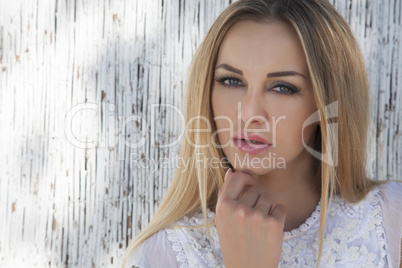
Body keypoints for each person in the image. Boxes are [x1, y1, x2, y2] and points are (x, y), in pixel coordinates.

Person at [124, 0, 402, 267]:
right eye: (231, 81)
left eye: (282, 87)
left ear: (327, 104)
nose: (248, 114)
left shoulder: (391, 221)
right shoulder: (163, 255)